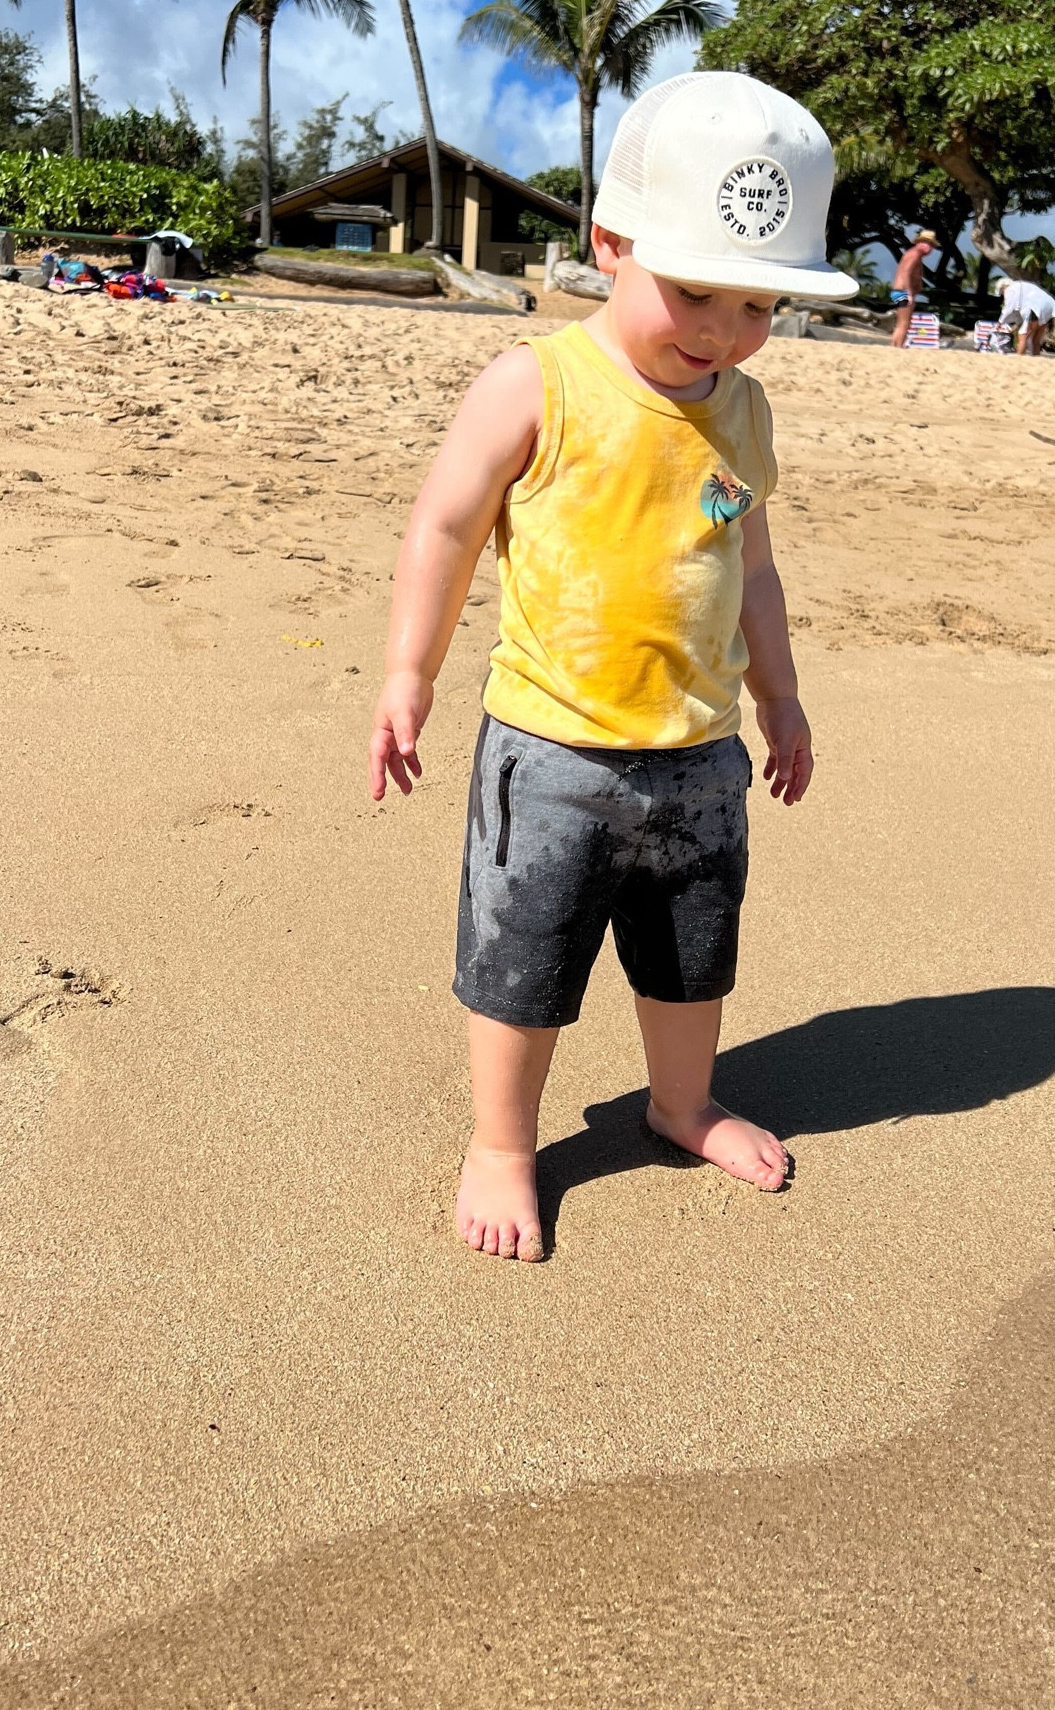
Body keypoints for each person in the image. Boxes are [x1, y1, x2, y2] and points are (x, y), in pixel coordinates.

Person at [367, 71, 858, 1263]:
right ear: (611, 243)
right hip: (551, 748)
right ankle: (501, 1141)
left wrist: (781, 695)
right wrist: (408, 672)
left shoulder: (744, 412)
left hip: (699, 750)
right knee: (523, 957)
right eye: (695, 291)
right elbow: (445, 525)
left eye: (760, 305)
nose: (724, 331)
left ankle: (681, 1102)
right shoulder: (538, 383)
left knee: (692, 955)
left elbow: (748, 565)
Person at [889, 229, 938, 348]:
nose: (929, 247)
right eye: (926, 243)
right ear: (919, 242)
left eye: (931, 244)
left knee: (901, 323)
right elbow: (906, 273)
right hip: (903, 291)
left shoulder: (914, 255)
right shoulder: (914, 254)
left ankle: (894, 346)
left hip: (899, 291)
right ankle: (898, 347)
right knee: (904, 323)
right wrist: (909, 293)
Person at [994, 272, 1055, 355]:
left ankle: (1018, 358)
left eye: (1001, 292)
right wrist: (1014, 328)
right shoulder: (1022, 286)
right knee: (1036, 339)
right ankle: (1035, 357)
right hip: (1049, 307)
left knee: (1022, 337)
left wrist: (999, 323)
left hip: (1035, 308)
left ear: (1003, 287)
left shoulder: (1010, 289)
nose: (1002, 294)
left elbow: (1008, 309)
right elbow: (1020, 316)